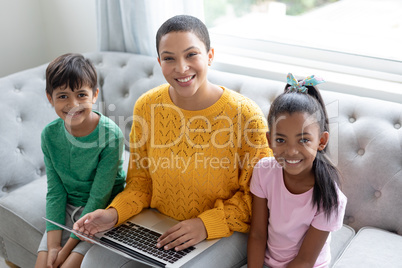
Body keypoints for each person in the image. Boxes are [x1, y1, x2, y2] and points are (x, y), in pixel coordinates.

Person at [73, 15, 271, 268]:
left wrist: (205, 224)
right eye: (169, 58)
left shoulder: (246, 116)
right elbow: (141, 183)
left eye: (191, 55)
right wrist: (113, 214)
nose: (181, 68)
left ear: (210, 55)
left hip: (225, 229)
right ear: (159, 62)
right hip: (159, 222)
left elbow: (258, 197)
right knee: (93, 263)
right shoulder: (147, 106)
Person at [246, 73, 347, 268]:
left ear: (321, 141)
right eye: (281, 140)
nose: (291, 151)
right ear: (269, 141)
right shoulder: (263, 171)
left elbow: (305, 260)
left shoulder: (330, 197)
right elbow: (258, 235)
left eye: (304, 140)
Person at [35, 53, 126, 268]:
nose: (73, 104)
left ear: (94, 95)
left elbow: (98, 197)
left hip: (100, 210)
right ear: (50, 98)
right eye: (63, 96)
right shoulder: (49, 135)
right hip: (68, 205)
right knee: (43, 264)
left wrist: (65, 251)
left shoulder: (111, 136)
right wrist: (54, 245)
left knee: (67, 265)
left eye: (81, 95)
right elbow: (56, 192)